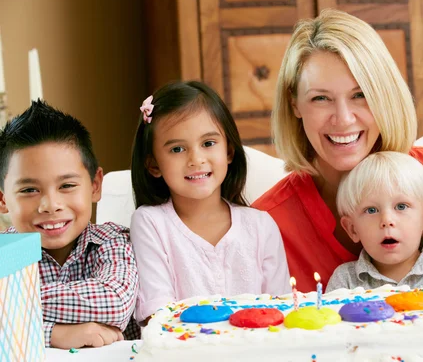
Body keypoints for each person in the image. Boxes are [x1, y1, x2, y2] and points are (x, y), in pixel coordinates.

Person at [253, 9, 423, 292]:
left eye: (360, 94)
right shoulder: (267, 223)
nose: (343, 119)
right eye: (320, 98)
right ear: (295, 105)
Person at [130, 81, 290, 324]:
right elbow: (158, 315)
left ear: (228, 151)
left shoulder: (260, 225)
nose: (196, 159)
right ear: (153, 164)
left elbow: (280, 310)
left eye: (208, 144)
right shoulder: (150, 223)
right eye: (177, 149)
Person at [0, 101, 138, 348]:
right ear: (3, 199)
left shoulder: (112, 240)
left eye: (66, 186)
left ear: (95, 185)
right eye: (29, 189)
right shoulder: (7, 250)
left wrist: (10, 304)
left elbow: (115, 303)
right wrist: (52, 334)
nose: (51, 205)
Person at [326, 152, 423, 314]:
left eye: (401, 206)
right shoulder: (345, 280)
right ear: (352, 228)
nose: (386, 220)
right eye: (371, 210)